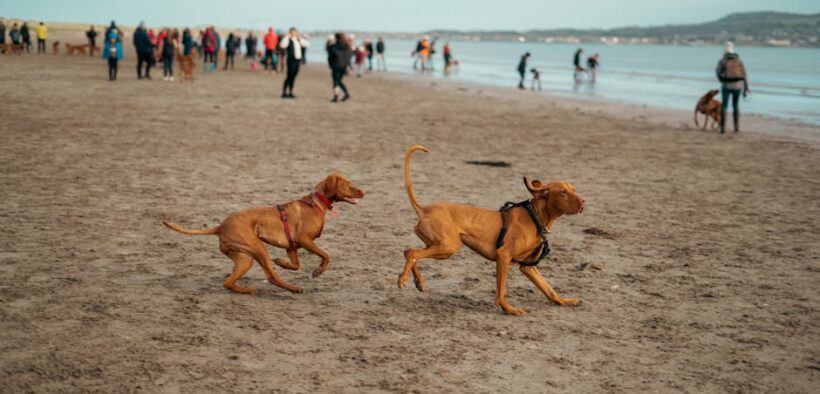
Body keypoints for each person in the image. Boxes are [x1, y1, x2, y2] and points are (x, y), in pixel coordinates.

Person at [715, 41, 750, 134]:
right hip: (737, 86)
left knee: (724, 106)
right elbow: (744, 74)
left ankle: (723, 128)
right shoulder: (739, 61)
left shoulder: (722, 60)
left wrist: (722, 80)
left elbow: (718, 73)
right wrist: (746, 88)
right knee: (735, 106)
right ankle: (736, 127)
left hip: (726, 86)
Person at [279, 27, 309, 98]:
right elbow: (282, 45)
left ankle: (290, 91)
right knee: (289, 76)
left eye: (295, 32)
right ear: (290, 33)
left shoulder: (298, 40)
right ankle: (284, 92)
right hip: (291, 60)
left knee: (294, 76)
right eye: (292, 32)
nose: (294, 33)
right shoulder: (288, 40)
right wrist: (287, 36)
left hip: (297, 60)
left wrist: (301, 37)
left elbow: (307, 44)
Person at [327, 32, 353, 102]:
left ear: (336, 38)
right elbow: (349, 56)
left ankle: (337, 96)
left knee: (336, 82)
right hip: (344, 66)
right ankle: (344, 94)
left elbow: (330, 57)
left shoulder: (333, 47)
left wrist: (330, 64)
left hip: (336, 65)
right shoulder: (347, 46)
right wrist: (348, 65)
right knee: (338, 81)